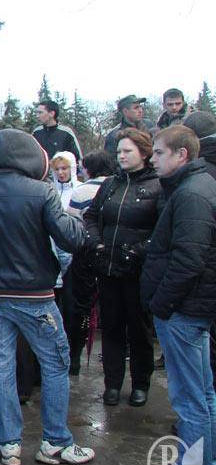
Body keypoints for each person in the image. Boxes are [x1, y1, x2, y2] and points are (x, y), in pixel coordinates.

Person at [0, 128, 95, 465]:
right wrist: (82, 223)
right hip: (36, 296)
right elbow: (71, 239)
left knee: (3, 368)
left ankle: (8, 444)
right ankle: (55, 442)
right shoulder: (42, 192)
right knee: (55, 363)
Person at [138, 125, 216, 465]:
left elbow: (189, 259)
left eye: (158, 152)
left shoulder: (192, 194)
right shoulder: (194, 187)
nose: (152, 159)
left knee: (190, 400)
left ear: (181, 154)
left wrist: (161, 304)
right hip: (189, 310)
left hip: (183, 311)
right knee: (203, 395)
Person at [84, 129, 161, 407]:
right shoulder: (110, 184)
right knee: (112, 328)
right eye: (118, 152)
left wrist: (140, 250)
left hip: (138, 271)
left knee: (139, 330)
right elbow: (91, 215)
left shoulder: (157, 186)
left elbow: (163, 228)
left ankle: (140, 383)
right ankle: (112, 383)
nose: (122, 156)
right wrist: (96, 242)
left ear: (144, 152)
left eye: (127, 151)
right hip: (108, 268)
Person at [65, 151, 117, 374]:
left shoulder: (82, 191)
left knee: (81, 309)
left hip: (85, 256)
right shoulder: (119, 187)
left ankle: (75, 356)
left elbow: (72, 226)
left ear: (88, 169)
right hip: (114, 255)